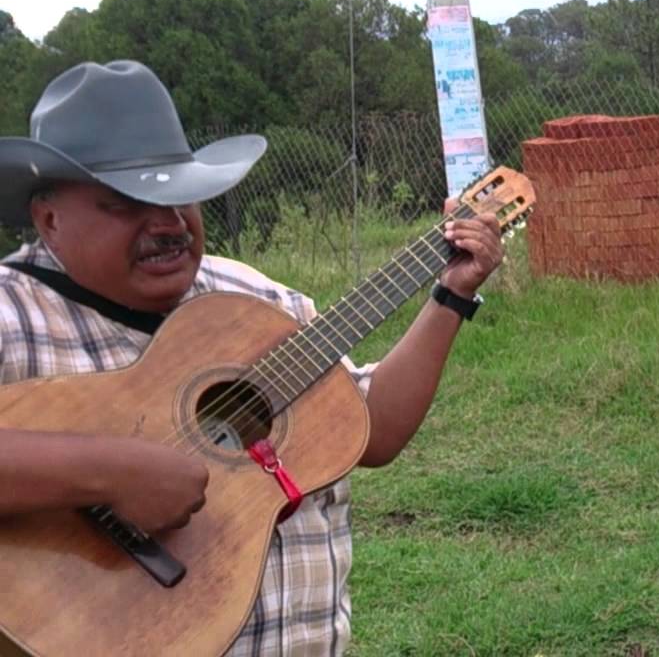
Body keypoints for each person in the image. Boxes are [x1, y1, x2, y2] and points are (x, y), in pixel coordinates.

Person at [0, 60, 503, 654]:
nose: (168, 224)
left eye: (182, 197)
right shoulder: (14, 315)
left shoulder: (256, 301)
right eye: (126, 203)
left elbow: (370, 430)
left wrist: (451, 294)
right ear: (49, 219)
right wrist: (111, 472)